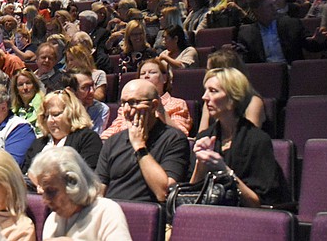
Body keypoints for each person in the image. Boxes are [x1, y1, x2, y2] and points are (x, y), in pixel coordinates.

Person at [192, 68, 290, 207]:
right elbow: (191, 196)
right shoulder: (205, 137)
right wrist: (200, 163)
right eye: (205, 90)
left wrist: (225, 173)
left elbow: (259, 204)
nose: (204, 97)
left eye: (213, 91)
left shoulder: (257, 140)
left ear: (233, 98)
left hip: (244, 220)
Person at [95, 79, 190, 203]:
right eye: (123, 103)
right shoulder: (112, 142)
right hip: (113, 216)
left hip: (147, 217)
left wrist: (139, 146)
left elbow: (163, 192)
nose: (127, 109)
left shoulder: (174, 139)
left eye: (133, 102)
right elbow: (99, 192)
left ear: (154, 105)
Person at [28, 147, 131, 241]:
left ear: (73, 183)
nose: (45, 200)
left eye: (51, 191)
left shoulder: (107, 211)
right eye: (43, 192)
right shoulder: (52, 221)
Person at [102, 58, 192, 139]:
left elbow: (181, 134)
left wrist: (161, 111)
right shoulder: (126, 106)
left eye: (152, 72)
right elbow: (111, 131)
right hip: (124, 147)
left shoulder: (177, 104)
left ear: (164, 78)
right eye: (142, 73)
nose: (146, 76)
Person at [22, 89, 101, 174]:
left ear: (71, 114)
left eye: (55, 114)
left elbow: (88, 177)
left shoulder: (87, 139)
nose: (49, 120)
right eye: (46, 116)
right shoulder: (38, 143)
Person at [237, 0, 308, 64]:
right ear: (257, 10)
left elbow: (311, 46)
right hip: (263, 73)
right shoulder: (246, 34)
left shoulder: (292, 24)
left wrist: (317, 40)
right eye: (270, 6)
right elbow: (245, 60)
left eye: (274, 4)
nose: (275, 8)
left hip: (291, 71)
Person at [9, 69, 45, 135]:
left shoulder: (44, 106)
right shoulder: (15, 111)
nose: (25, 87)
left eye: (28, 83)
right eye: (20, 84)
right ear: (16, 89)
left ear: (35, 86)